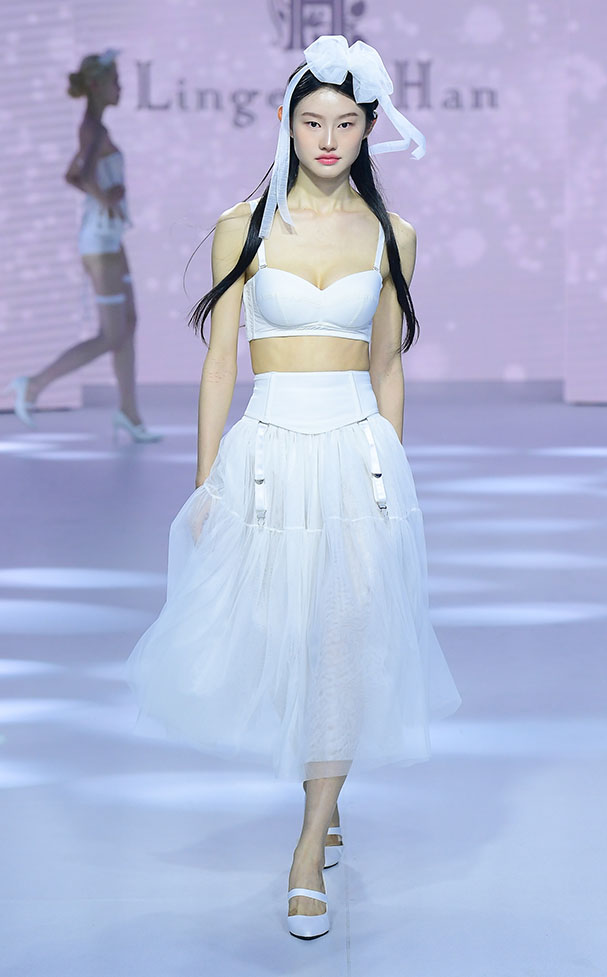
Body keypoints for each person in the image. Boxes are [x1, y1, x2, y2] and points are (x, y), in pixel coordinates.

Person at [127, 35, 461, 939]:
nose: (328, 139)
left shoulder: (394, 234)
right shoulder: (243, 225)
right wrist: (206, 482)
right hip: (269, 452)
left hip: (357, 454)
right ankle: (327, 786)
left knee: (346, 640)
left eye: (345, 124)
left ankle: (309, 845)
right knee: (286, 636)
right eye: (313, 121)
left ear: (369, 129)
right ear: (286, 122)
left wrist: (390, 476)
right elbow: (217, 366)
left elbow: (387, 364)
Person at [5, 49, 161, 443]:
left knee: (128, 324)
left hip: (110, 238)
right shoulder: (91, 128)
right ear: (97, 85)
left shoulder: (96, 127)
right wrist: (105, 197)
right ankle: (34, 385)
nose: (120, 88)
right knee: (111, 334)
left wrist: (106, 196)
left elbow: (74, 174)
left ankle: (129, 412)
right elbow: (82, 174)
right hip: (99, 241)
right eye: (115, 82)